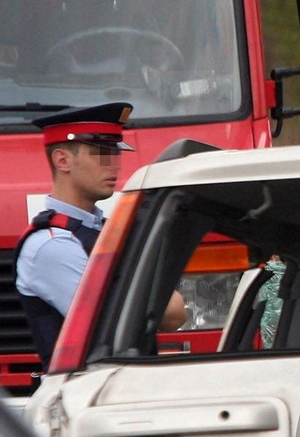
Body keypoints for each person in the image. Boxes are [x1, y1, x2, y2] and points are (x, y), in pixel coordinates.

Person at [14, 102, 184, 371]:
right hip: (83, 396)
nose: (114, 165)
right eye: (102, 154)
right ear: (63, 160)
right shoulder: (53, 245)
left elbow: (174, 314)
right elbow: (124, 326)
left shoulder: (103, 230)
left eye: (116, 154)